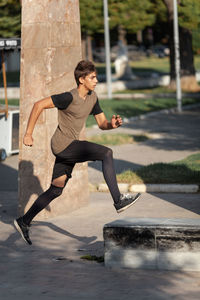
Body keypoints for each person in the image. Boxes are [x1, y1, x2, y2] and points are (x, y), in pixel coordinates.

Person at [14, 60, 141, 245]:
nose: (96, 80)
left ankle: (24, 221)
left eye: (96, 77)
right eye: (92, 77)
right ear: (82, 79)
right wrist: (28, 134)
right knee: (106, 153)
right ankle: (118, 200)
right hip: (62, 145)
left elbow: (101, 123)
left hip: (70, 147)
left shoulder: (92, 98)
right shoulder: (68, 97)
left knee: (56, 189)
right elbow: (38, 105)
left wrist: (111, 125)